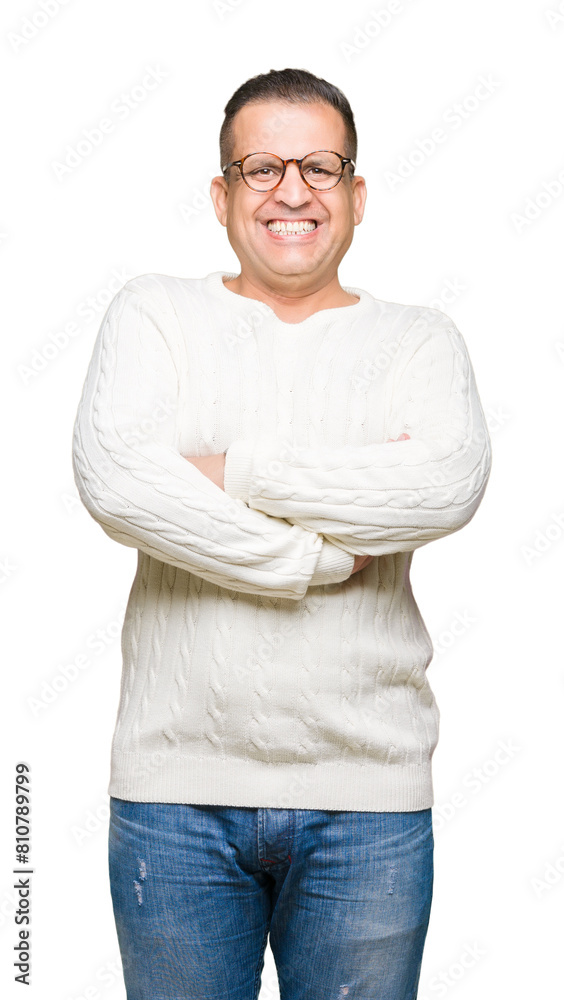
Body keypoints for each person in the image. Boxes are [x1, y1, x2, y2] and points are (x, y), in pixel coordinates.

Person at [71, 67, 492, 1000]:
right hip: (175, 796)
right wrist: (317, 557)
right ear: (222, 195)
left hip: (369, 801)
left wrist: (231, 471)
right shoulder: (155, 314)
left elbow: (446, 484)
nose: (291, 191)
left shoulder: (420, 340)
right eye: (261, 168)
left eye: (320, 167)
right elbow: (115, 480)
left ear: (356, 194)